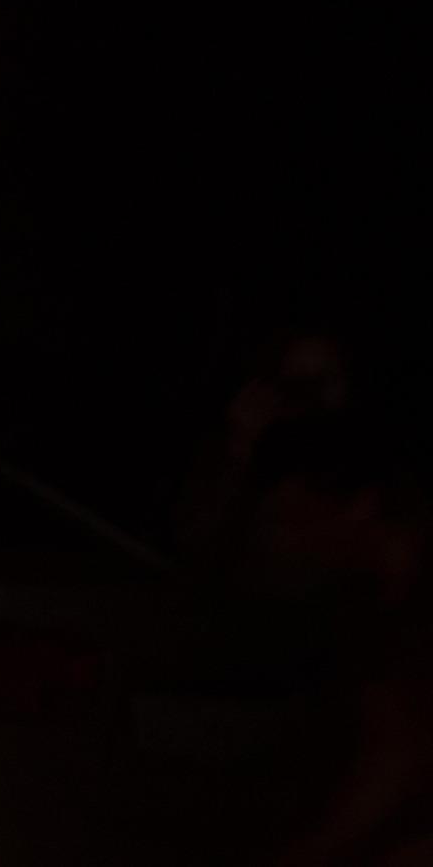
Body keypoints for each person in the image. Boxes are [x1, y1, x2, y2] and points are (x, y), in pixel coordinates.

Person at [255, 414, 433, 866]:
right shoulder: (356, 598)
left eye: (299, 520)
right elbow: (394, 747)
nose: (286, 542)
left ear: (361, 505)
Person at [178, 329, 355, 574]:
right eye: (301, 385)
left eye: (329, 380)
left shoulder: (356, 466)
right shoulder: (236, 449)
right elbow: (195, 544)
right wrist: (238, 451)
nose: (315, 399)